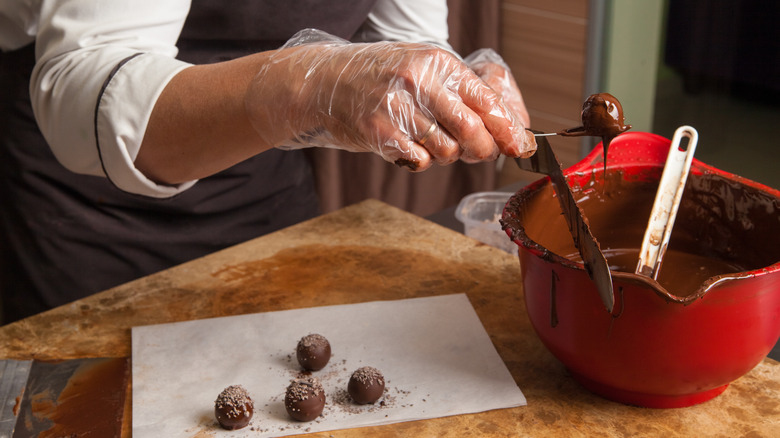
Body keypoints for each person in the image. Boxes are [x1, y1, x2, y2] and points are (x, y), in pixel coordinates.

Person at [0, 0, 535, 323]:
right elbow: (79, 96)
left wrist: (450, 81)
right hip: (78, 209)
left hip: (267, 186)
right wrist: (307, 86)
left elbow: (403, 40)